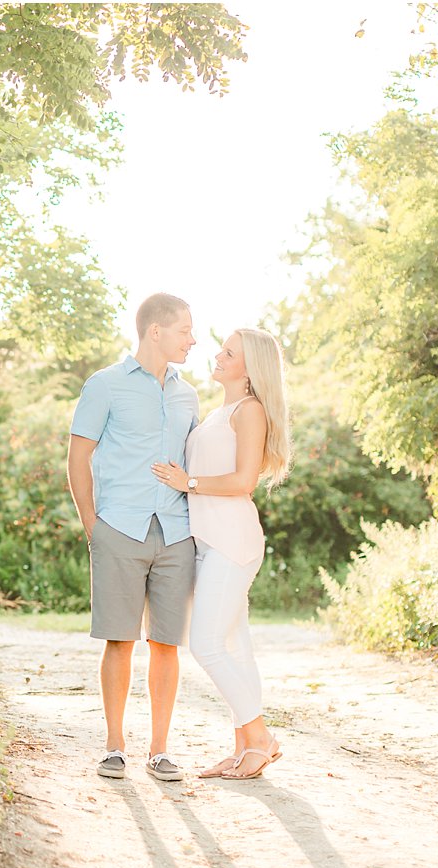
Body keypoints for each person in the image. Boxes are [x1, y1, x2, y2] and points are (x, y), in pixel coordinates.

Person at [67, 293, 199, 781]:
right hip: (119, 528)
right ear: (155, 331)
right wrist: (91, 525)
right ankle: (114, 745)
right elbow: (77, 458)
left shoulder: (188, 394)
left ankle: (160, 749)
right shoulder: (104, 385)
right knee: (119, 640)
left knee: (166, 643)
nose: (193, 339)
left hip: (176, 530)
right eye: (185, 330)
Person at [151, 327, 291, 779]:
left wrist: (186, 482)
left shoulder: (249, 412)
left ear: (250, 370)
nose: (218, 355)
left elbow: (243, 482)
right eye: (223, 349)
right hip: (209, 540)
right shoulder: (221, 411)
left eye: (229, 353)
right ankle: (242, 750)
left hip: (232, 541)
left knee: (206, 644)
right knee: (234, 645)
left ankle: (261, 737)